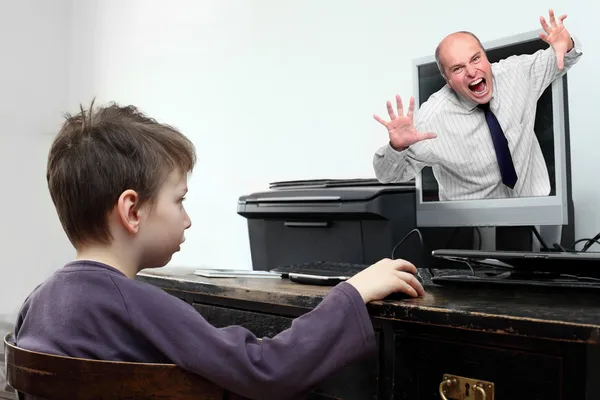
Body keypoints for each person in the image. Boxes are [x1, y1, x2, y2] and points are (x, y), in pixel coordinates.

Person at [11, 101, 424, 400]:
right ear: (132, 210)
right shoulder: (138, 304)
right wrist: (352, 291)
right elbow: (266, 370)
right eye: (180, 200)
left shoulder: (38, 302)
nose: (187, 219)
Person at [372, 9, 582, 201]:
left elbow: (564, 57)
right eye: (458, 68)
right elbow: (388, 176)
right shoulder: (432, 119)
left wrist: (567, 42)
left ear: (486, 57)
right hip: (471, 225)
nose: (472, 72)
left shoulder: (517, 74)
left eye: (475, 59)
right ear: (448, 82)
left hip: (537, 208)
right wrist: (396, 147)